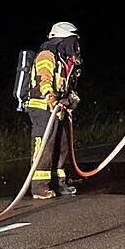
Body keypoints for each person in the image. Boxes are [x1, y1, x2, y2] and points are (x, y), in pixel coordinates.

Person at [26, 22, 82, 199]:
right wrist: (49, 95)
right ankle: (39, 187)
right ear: (64, 40)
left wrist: (70, 98)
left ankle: (59, 183)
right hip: (42, 107)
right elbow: (45, 77)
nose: (76, 46)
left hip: (56, 109)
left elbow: (62, 84)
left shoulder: (63, 59)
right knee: (45, 145)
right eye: (73, 41)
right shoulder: (46, 55)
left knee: (62, 144)